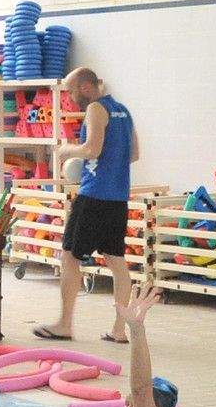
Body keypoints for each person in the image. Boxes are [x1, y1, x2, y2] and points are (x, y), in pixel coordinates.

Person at [36, 67, 141, 343]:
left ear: (84, 87)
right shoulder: (124, 111)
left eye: (71, 91)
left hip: (93, 196)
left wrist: (67, 151)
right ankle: (120, 329)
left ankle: (64, 324)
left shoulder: (95, 108)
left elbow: (92, 149)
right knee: (117, 262)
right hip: (118, 198)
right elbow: (134, 154)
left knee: (70, 256)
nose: (70, 98)